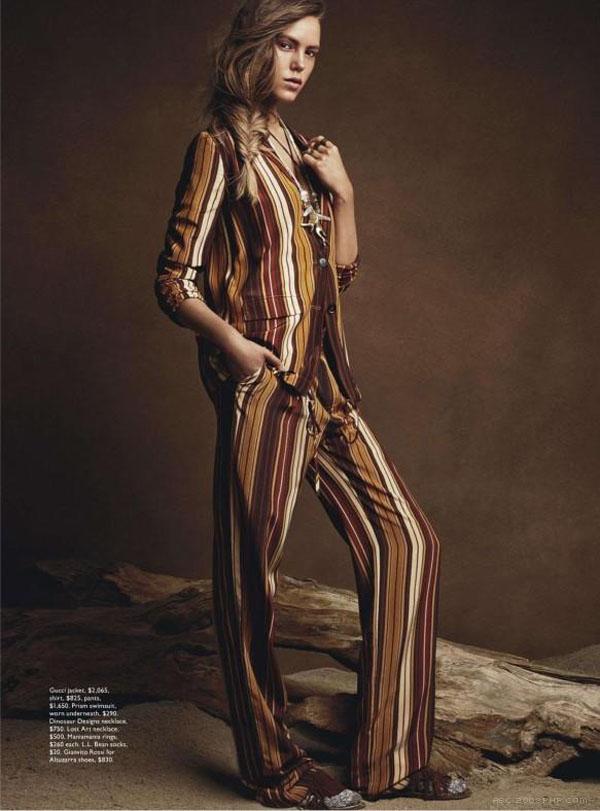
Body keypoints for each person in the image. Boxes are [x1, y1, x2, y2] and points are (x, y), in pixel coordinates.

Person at [154, 1, 470, 807]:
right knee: (249, 577)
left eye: (312, 52)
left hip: (327, 381)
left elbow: (340, 273)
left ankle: (390, 760)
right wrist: (235, 348)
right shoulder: (219, 147)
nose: (300, 64)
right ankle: (274, 768)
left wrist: (345, 193)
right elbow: (174, 281)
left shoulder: (300, 150)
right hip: (264, 384)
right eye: (287, 47)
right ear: (253, 49)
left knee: (408, 542)